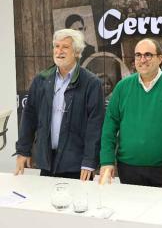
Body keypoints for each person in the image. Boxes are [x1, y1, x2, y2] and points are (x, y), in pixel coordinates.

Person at [99, 38, 162, 190]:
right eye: (138, 55)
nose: (142, 60)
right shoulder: (122, 87)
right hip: (129, 170)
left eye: (148, 55)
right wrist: (107, 161)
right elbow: (109, 126)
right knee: (131, 213)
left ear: (160, 58)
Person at [15, 29, 104, 180]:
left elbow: (95, 126)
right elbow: (29, 116)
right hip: (47, 161)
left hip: (77, 164)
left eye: (65, 47)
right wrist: (23, 150)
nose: (59, 51)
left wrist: (89, 161)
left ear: (76, 52)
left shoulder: (91, 83)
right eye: (56, 46)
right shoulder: (41, 80)